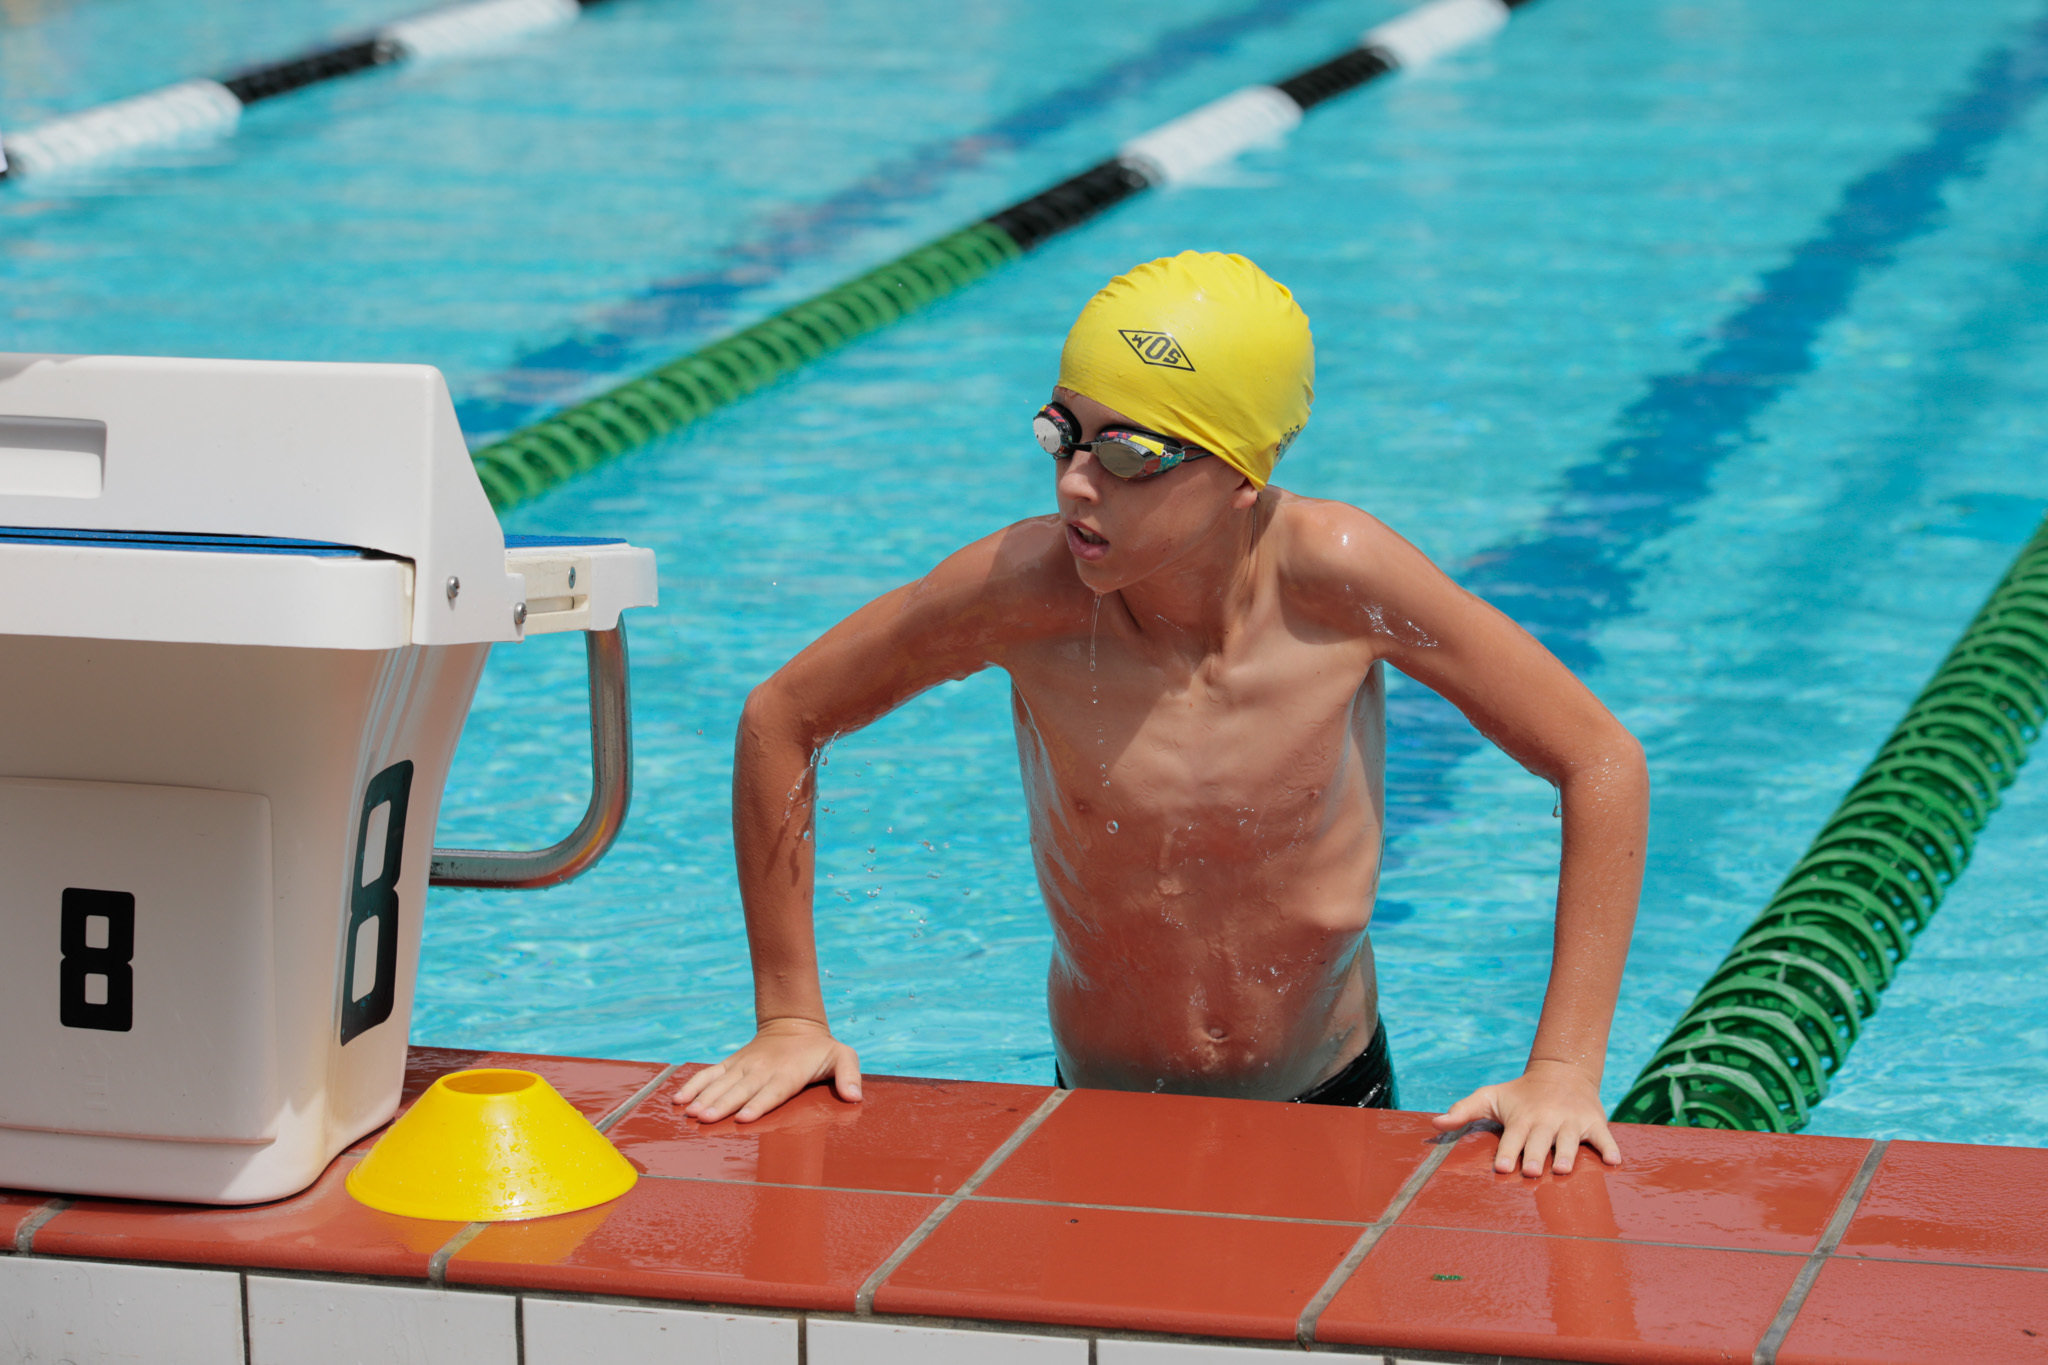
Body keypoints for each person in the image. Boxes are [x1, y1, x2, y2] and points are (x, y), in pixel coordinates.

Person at [673, 251, 1647, 1176]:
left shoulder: (1340, 581)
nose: (1075, 482)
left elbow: (1597, 758)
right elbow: (782, 717)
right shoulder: (1019, 594)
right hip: (1100, 1107)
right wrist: (789, 1017)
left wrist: (1563, 1069)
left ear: (1242, 473)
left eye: (1129, 453)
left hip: (1333, 1095)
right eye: (1063, 433)